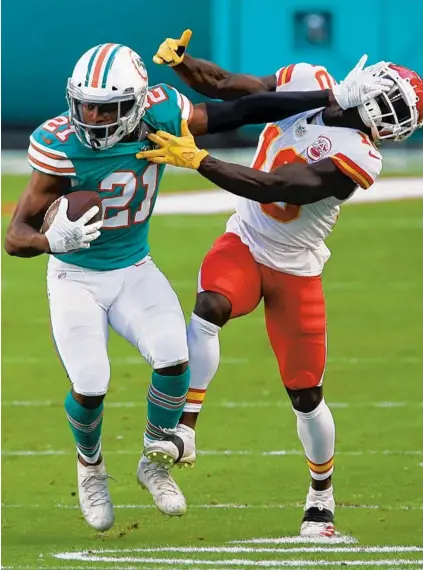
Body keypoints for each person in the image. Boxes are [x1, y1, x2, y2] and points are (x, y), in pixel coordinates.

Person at [4, 40, 386, 532]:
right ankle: (91, 468)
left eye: (108, 108)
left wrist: (328, 99)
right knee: (92, 382)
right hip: (75, 276)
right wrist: (51, 240)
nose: (95, 118)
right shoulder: (58, 142)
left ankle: (155, 459)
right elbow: (14, 239)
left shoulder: (160, 115)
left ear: (138, 102)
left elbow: (242, 109)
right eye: (87, 105)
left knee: (173, 355)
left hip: (133, 266)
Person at [137, 31, 423, 537]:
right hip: (246, 240)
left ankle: (321, 496)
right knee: (210, 307)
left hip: (296, 268)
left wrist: (200, 160)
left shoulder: (362, 156)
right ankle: (184, 430)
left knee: (307, 395)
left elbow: (279, 185)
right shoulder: (310, 79)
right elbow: (235, 88)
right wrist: (186, 67)